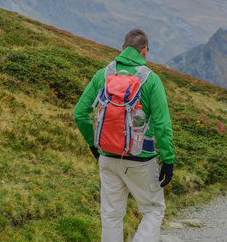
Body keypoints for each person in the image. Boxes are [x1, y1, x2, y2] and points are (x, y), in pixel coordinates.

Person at [74, 29, 175, 242]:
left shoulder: (103, 74)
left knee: (111, 214)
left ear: (122, 48)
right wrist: (168, 160)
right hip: (140, 159)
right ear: (145, 51)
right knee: (153, 210)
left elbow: (79, 114)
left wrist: (94, 145)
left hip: (107, 156)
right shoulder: (151, 80)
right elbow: (162, 125)